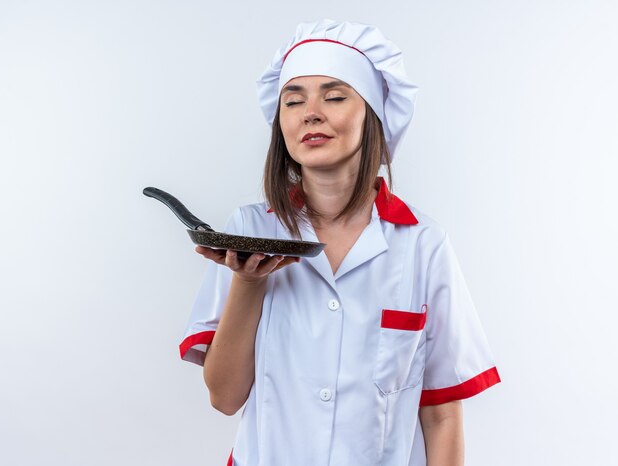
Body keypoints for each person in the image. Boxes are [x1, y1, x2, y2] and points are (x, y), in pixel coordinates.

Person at [180, 18, 501, 466]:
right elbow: (225, 396)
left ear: (372, 115)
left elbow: (442, 415)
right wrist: (248, 283)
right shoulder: (252, 231)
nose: (311, 112)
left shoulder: (423, 246)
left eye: (334, 96)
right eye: (293, 101)